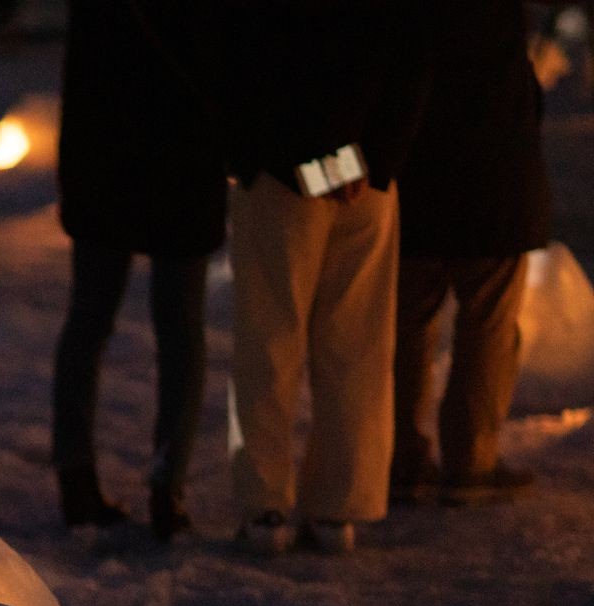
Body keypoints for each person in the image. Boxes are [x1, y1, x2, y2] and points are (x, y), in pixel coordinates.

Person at [222, 0, 433, 554]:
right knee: (357, 343)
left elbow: (255, 53)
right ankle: (340, 504)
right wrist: (369, 161)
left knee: (268, 337)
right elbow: (412, 52)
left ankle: (264, 504)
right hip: (367, 174)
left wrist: (299, 157)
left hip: (283, 170)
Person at [51, 0, 227, 541]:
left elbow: (81, 81)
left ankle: (76, 476)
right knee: (180, 333)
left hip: (105, 168)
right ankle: (166, 490)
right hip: (184, 170)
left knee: (89, 324)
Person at [392, 0, 550, 507]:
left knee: (407, 324)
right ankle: (470, 462)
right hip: (493, 182)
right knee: (487, 325)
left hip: (418, 180)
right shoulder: (497, 20)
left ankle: (401, 459)